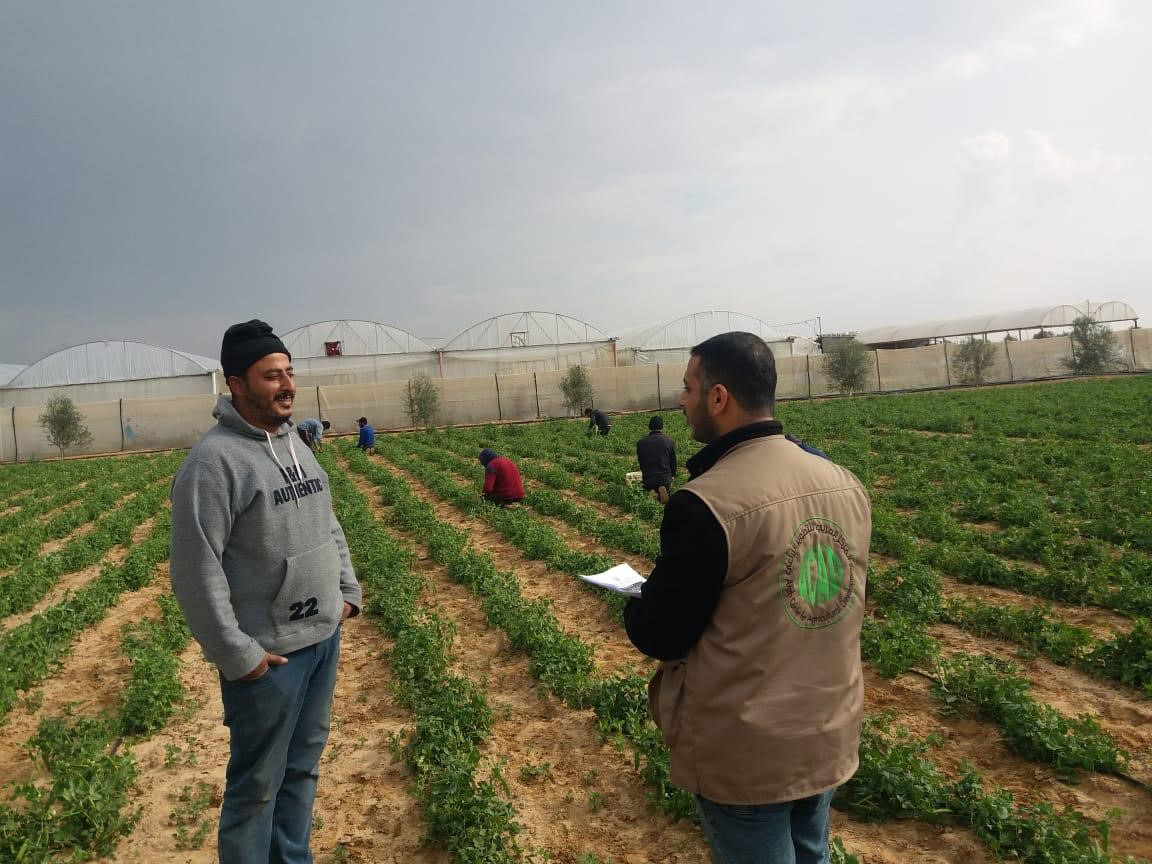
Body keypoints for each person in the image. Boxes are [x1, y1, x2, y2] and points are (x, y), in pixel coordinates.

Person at [623, 332, 870, 864]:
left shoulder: (707, 503)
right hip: (827, 727)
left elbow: (661, 631)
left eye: (688, 388)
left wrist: (636, 599)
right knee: (812, 853)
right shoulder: (843, 482)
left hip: (751, 751)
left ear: (718, 398)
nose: (681, 401)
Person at [170, 319, 362, 864]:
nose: (287, 385)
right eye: (271, 375)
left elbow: (328, 521)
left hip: (322, 639)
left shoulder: (299, 444)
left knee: (302, 771)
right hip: (270, 658)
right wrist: (239, 656)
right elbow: (194, 571)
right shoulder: (213, 464)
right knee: (256, 789)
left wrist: (346, 589)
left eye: (289, 373)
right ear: (236, 384)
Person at [636, 415, 678, 504]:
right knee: (665, 485)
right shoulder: (669, 441)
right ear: (661, 426)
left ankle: (653, 491)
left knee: (650, 485)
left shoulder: (641, 443)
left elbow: (641, 462)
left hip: (648, 478)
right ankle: (662, 489)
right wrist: (672, 475)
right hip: (665, 478)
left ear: (649, 426)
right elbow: (673, 462)